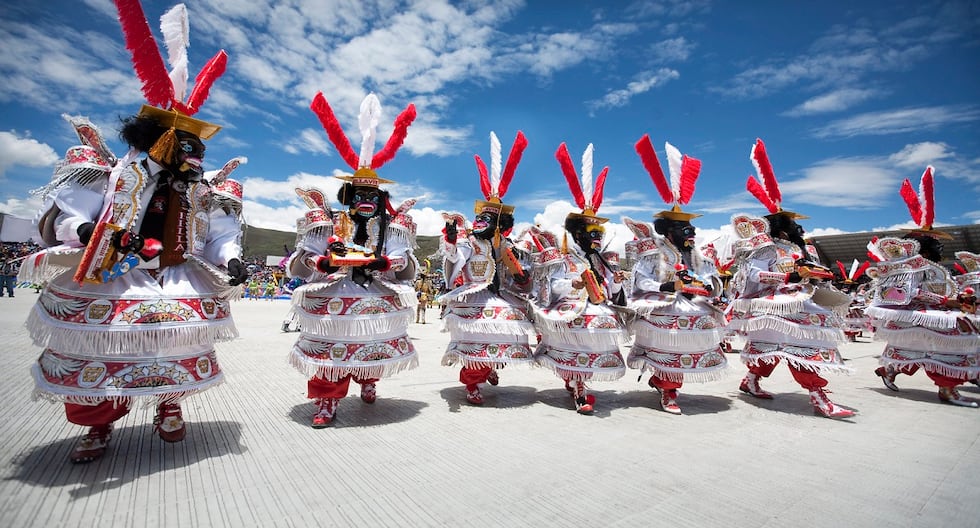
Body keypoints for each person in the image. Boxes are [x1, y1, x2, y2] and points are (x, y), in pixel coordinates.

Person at [20, 2, 248, 463]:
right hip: (112, 269)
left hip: (174, 272)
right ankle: (99, 424)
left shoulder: (199, 191)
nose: (194, 160)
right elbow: (63, 217)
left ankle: (168, 404)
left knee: (173, 342)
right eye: (186, 149)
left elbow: (218, 235)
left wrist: (232, 259)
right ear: (159, 141)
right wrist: (88, 230)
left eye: (197, 151)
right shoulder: (111, 174)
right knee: (103, 348)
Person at [286, 92, 419, 427]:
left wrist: (384, 264)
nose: (365, 201)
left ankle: (368, 378)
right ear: (348, 197)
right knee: (331, 348)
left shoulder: (393, 229)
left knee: (370, 343)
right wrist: (323, 265)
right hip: (335, 291)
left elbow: (403, 259)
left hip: (375, 292)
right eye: (358, 195)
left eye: (371, 196)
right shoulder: (327, 222)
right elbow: (306, 258)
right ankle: (327, 400)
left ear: (381, 200)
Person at [726, 139, 854, 419]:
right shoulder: (766, 247)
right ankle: (819, 396)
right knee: (801, 346)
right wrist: (789, 274)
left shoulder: (800, 249)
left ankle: (750, 381)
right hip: (774, 304)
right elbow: (754, 275)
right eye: (796, 225)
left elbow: (808, 274)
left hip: (798, 299)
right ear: (783, 231)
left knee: (780, 348)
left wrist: (816, 275)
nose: (801, 228)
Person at [624, 136, 727, 415]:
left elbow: (711, 276)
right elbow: (640, 279)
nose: (691, 234)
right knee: (670, 346)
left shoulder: (697, 255)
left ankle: (663, 382)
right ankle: (669, 390)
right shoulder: (653, 253)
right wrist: (667, 284)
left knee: (688, 345)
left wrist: (708, 285)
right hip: (666, 305)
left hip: (694, 305)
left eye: (692, 230)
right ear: (669, 232)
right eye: (685, 230)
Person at [528, 142, 627, 415]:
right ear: (580, 233)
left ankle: (578, 381)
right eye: (592, 231)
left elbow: (612, 289)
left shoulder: (603, 258)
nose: (597, 236)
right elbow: (552, 285)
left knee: (598, 334)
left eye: (599, 232)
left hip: (599, 306)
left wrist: (616, 279)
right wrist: (575, 284)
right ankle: (580, 388)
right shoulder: (565, 256)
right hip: (574, 308)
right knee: (581, 337)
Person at [867, 167, 980, 407]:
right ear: (924, 247)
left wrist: (957, 298)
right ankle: (946, 388)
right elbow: (907, 293)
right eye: (936, 243)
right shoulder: (910, 266)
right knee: (954, 338)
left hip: (930, 312)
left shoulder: (931, 267)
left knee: (928, 347)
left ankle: (890, 370)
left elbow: (941, 291)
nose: (941, 248)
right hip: (915, 312)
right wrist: (944, 302)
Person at [439, 131, 535, 406]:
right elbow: (455, 257)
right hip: (475, 295)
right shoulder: (470, 241)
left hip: (499, 294)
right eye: (481, 217)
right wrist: (450, 241)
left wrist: (522, 275)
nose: (482, 222)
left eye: (489, 218)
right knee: (478, 334)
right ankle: (472, 382)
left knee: (506, 330)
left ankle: (491, 365)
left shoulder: (505, 244)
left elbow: (516, 269)